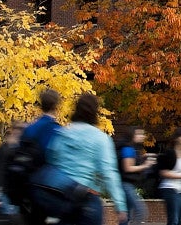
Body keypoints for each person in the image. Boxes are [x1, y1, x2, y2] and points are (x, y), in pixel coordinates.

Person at [45, 92, 128, 225]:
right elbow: (109, 173)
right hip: (87, 199)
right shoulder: (100, 138)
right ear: (95, 112)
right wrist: (120, 205)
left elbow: (51, 160)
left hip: (61, 198)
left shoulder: (61, 134)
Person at [21, 88, 64, 225]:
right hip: (49, 187)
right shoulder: (56, 130)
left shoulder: (29, 128)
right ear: (56, 106)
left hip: (27, 185)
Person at [117, 127, 154, 225]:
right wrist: (145, 165)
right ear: (132, 135)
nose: (142, 136)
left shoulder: (133, 148)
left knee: (127, 215)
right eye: (139, 134)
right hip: (125, 184)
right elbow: (128, 168)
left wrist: (143, 158)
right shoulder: (128, 148)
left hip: (129, 184)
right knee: (141, 211)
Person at [158, 128, 181, 225]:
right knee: (174, 220)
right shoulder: (170, 153)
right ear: (177, 138)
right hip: (170, 188)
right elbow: (163, 172)